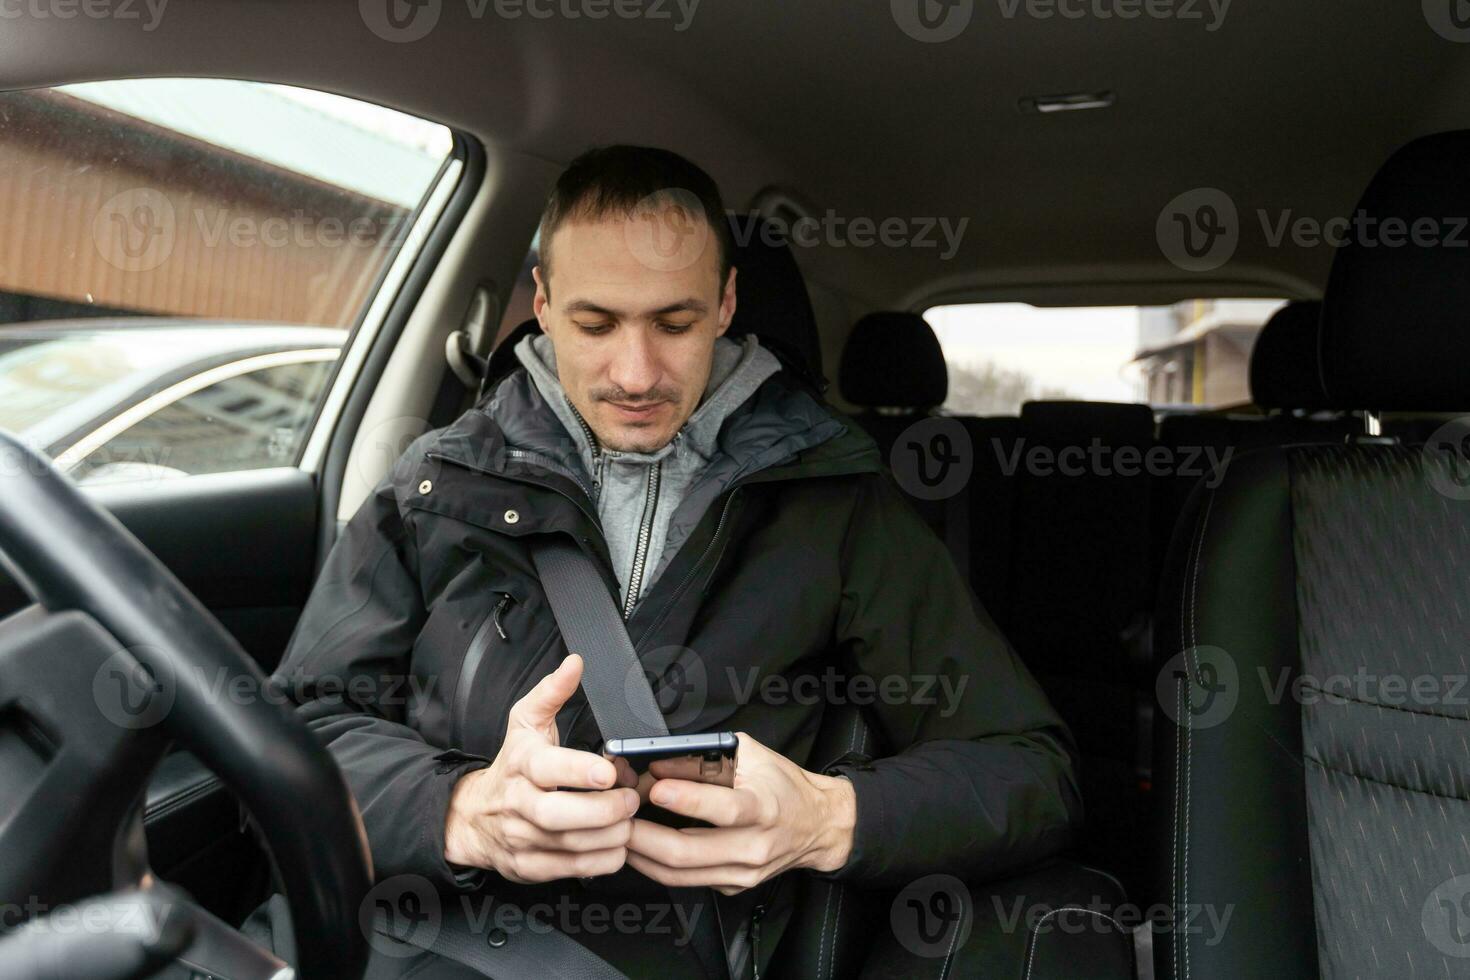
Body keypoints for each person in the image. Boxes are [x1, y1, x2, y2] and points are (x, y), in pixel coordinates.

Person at [271, 144, 1080, 978]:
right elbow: (294, 735)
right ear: (542, 305)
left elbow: (1030, 769)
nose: (636, 373)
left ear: (727, 303)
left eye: (675, 322)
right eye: (595, 325)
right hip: (402, 943)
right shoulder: (434, 484)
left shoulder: (836, 502)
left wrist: (829, 818)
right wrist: (462, 810)